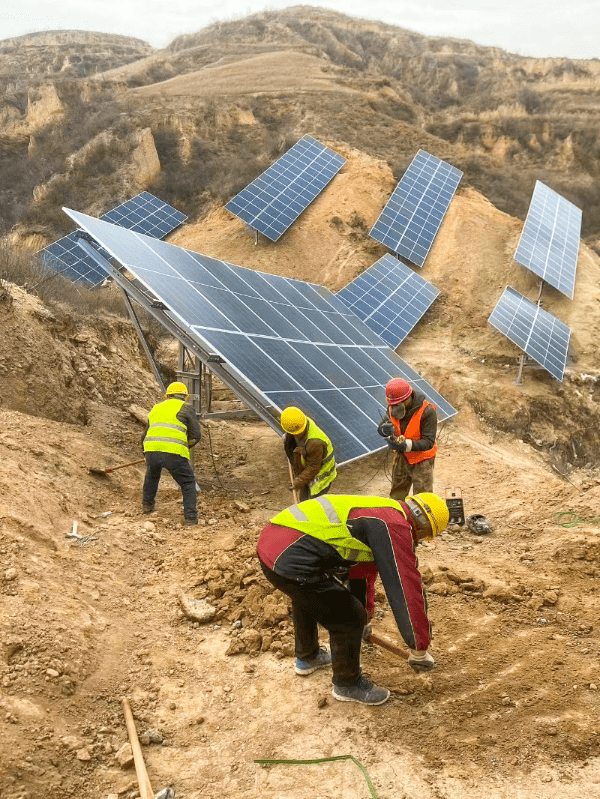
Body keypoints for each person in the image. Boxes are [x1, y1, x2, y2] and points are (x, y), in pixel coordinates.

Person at [256, 492, 449, 705]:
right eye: (424, 538)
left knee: (305, 596)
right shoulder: (396, 526)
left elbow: (362, 572)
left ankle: (308, 657)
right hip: (290, 560)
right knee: (349, 618)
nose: (419, 542)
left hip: (272, 549)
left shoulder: (381, 511)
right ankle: (347, 684)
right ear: (423, 528)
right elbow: (404, 586)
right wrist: (419, 646)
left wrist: (367, 618)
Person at [141, 381, 201, 526]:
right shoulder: (186, 408)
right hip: (174, 453)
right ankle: (190, 518)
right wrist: (184, 445)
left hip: (151, 448)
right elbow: (196, 435)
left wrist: (146, 453)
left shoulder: (156, 408)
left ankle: (147, 505)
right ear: (184, 396)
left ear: (167, 396)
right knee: (187, 483)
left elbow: (144, 435)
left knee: (152, 475)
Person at [377, 378, 438, 501]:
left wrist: (405, 445)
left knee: (422, 499)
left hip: (422, 460)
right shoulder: (392, 407)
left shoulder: (427, 412)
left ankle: (420, 520)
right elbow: (381, 428)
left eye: (398, 405)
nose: (394, 408)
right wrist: (384, 430)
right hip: (402, 458)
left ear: (407, 398)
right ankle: (398, 518)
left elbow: (428, 442)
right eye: (392, 405)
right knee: (397, 496)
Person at [281, 407, 337, 502]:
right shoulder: (300, 421)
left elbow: (313, 468)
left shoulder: (315, 443)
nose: (295, 435)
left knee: (313, 506)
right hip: (308, 473)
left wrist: (298, 481)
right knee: (303, 501)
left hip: (320, 480)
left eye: (296, 433)